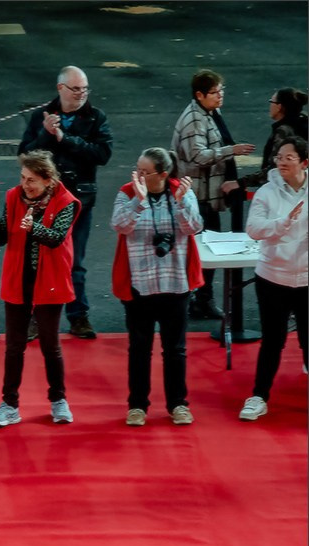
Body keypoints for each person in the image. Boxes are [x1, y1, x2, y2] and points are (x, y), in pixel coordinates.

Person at [0, 150, 79, 427]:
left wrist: (34, 228)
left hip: (50, 281)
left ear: (47, 180)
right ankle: (9, 405)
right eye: (22, 178)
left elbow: (56, 238)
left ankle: (58, 400)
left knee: (50, 345)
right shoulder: (13, 197)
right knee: (14, 346)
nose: (25, 185)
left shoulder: (66, 202)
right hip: (18, 279)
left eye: (31, 180)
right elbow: (2, 238)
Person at [110, 148, 204, 427]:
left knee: (175, 349)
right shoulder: (127, 193)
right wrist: (138, 202)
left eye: (144, 172)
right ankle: (137, 406)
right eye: (137, 169)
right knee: (139, 349)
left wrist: (181, 203)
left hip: (175, 284)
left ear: (163, 174)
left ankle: (178, 404)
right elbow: (119, 225)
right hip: (140, 285)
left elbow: (194, 227)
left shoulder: (182, 192)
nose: (137, 175)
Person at [19, 65, 112, 340]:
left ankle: (78, 316)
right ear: (61, 88)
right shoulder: (40, 117)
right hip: (44, 201)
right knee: (38, 261)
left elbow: (103, 154)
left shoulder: (96, 117)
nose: (82, 94)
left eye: (85, 89)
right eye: (76, 89)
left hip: (79, 200)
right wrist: (46, 134)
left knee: (74, 262)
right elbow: (25, 155)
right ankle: (37, 317)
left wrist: (65, 139)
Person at [171, 69, 256, 320]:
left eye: (221, 90)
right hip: (197, 199)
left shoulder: (209, 113)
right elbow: (198, 156)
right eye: (215, 92)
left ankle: (202, 299)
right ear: (199, 95)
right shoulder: (194, 120)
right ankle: (196, 300)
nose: (220, 96)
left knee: (208, 251)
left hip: (206, 198)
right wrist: (231, 150)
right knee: (202, 252)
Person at [238, 136, 308, 421]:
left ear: (304, 163)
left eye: (289, 158)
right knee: (272, 340)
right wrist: (284, 223)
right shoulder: (267, 192)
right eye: (279, 157)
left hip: (306, 279)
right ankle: (259, 397)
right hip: (273, 278)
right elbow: (254, 229)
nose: (282, 162)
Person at [235, 87, 309, 192]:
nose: (270, 105)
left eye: (271, 102)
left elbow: (276, 169)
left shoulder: (284, 131)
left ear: (279, 106)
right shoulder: (303, 123)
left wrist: (241, 182)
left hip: (284, 191)